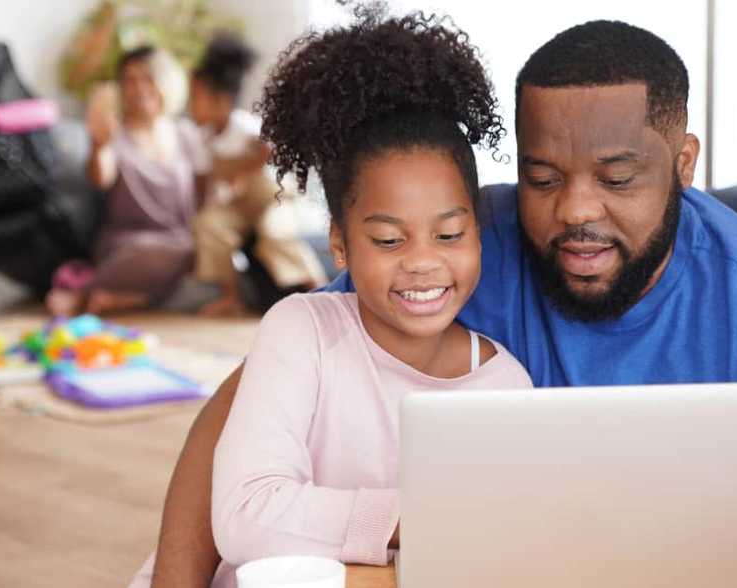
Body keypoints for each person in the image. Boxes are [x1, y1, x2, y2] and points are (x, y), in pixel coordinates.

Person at [144, 19, 737, 587]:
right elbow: (244, 407)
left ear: (685, 162)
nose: (575, 210)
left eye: (616, 176)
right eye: (543, 177)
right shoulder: (464, 243)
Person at [129, 8, 531, 587]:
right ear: (340, 245)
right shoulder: (302, 330)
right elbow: (244, 520)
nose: (422, 261)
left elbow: (498, 545)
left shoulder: (505, 384)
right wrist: (416, 517)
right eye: (389, 239)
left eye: (449, 235)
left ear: (478, 233)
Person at [46, 46, 205, 317]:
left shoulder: (186, 134)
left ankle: (126, 299)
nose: (138, 87)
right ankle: (85, 293)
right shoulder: (114, 136)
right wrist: (98, 144)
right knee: (179, 253)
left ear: (167, 82)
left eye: (147, 77)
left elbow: (204, 194)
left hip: (185, 241)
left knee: (200, 256)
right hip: (131, 247)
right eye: (129, 80)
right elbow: (100, 178)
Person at [187, 34, 328, 317]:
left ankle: (320, 289)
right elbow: (201, 183)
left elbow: (272, 151)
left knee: (275, 233)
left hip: (272, 199)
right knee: (209, 226)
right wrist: (205, 204)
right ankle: (231, 296)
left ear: (220, 100)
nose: (190, 105)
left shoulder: (245, 127)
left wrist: (244, 169)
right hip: (239, 206)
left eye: (195, 97)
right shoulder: (202, 139)